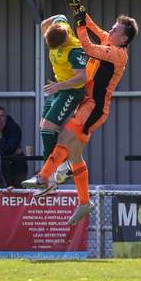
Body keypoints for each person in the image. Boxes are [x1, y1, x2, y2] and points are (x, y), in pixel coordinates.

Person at [23, 0, 138, 225]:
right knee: (74, 152)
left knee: (65, 135)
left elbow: (86, 44)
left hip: (95, 107)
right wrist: (80, 10)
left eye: (115, 29)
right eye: (113, 27)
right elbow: (93, 26)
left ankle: (44, 176)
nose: (111, 30)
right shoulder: (109, 41)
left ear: (123, 38)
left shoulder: (117, 54)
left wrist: (79, 23)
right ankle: (84, 203)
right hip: (87, 102)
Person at [38, 14, 87, 179]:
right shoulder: (58, 25)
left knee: (48, 127)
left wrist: (58, 86)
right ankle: (63, 166)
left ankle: (48, 176)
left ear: (63, 43)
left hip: (72, 90)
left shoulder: (74, 49)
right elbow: (47, 22)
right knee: (44, 128)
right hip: (58, 87)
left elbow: (82, 77)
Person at [0, 107, 27, 188]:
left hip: (17, 164)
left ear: (5, 117)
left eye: (1, 116)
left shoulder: (14, 127)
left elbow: (11, 149)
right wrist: (2, 151)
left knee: (18, 189)